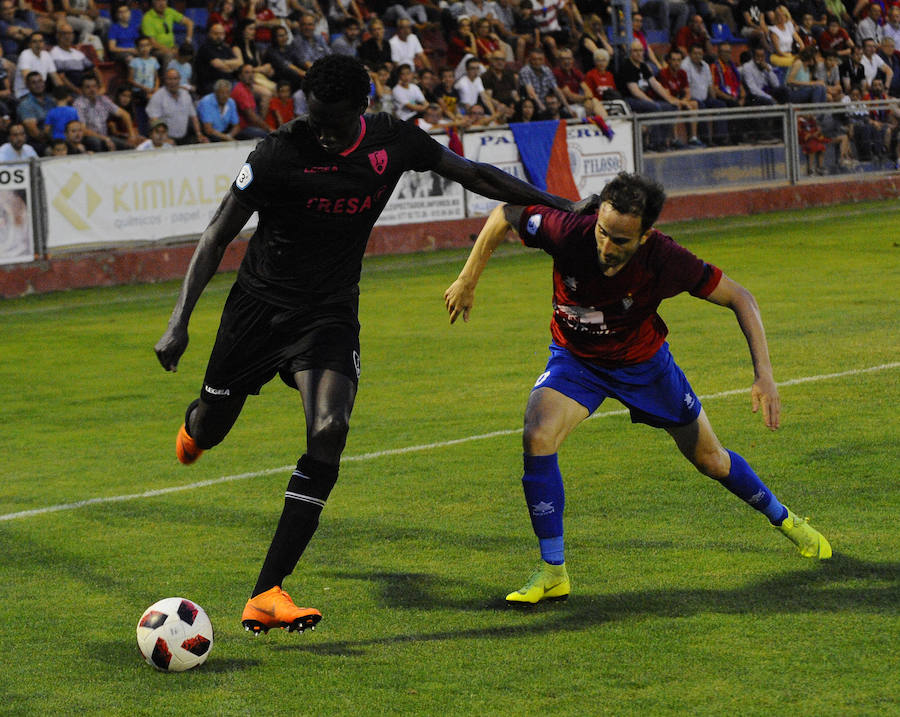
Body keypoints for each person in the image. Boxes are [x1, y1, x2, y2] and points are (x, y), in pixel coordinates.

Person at [153, 54, 597, 635]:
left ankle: (267, 591)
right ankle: (197, 430)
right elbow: (217, 233)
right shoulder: (278, 152)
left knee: (330, 428)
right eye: (314, 119)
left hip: (329, 313)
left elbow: (473, 175)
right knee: (210, 426)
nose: (323, 132)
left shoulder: (393, 140)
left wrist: (559, 205)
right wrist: (179, 319)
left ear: (362, 108)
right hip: (256, 314)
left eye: (333, 123)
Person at [442, 172, 832, 605]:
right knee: (538, 434)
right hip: (577, 360)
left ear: (645, 235)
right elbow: (504, 215)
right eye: (603, 233)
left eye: (621, 240)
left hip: (644, 365)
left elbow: (742, 297)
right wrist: (468, 278)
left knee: (712, 461)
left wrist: (765, 375)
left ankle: (786, 519)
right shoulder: (568, 230)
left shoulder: (666, 259)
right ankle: (553, 571)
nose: (607, 247)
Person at [146, 67, 207, 144]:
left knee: (204, 143)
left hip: (184, 136)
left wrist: (199, 134)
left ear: (179, 79)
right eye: (169, 79)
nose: (173, 82)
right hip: (165, 138)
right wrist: (164, 139)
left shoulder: (186, 95)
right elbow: (153, 120)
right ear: (165, 80)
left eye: (175, 79)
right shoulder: (157, 96)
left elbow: (194, 117)